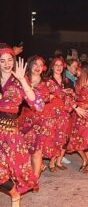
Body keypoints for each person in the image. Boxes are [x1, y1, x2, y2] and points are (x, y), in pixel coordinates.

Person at [0, 43, 42, 207]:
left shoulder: (19, 79)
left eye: (9, 59)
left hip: (10, 132)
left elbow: (37, 103)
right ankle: (14, 194)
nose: (6, 64)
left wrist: (22, 80)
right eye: (2, 60)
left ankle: (15, 195)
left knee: (13, 170)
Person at [67, 61, 88, 174]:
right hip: (78, 114)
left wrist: (84, 105)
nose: (75, 71)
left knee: (85, 141)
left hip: (87, 115)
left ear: (83, 71)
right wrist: (72, 95)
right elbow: (76, 98)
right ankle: (85, 161)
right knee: (77, 141)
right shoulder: (77, 84)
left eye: (77, 69)